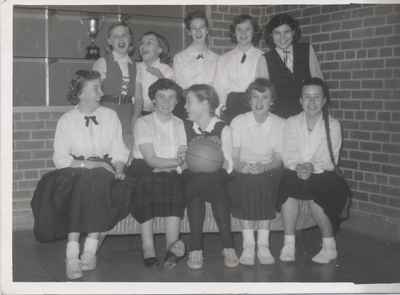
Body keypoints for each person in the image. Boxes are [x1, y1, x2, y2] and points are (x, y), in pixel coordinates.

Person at [31, 70, 131, 280]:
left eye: (100, 87)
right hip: (73, 170)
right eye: (96, 88)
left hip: (105, 169)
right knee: (86, 181)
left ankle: (80, 252)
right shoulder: (67, 120)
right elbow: (59, 159)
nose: (101, 92)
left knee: (96, 181)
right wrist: (90, 165)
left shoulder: (110, 116)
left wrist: (119, 169)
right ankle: (80, 253)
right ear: (80, 94)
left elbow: (119, 150)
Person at [277, 77, 349, 264]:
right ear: (300, 100)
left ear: (324, 100)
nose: (311, 102)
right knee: (287, 188)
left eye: (317, 97)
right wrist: (298, 166)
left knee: (319, 189)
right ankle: (289, 244)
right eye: (307, 97)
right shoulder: (291, 123)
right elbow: (288, 152)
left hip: (323, 172)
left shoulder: (332, 125)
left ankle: (329, 246)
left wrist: (311, 167)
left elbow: (329, 156)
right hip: (296, 170)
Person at [126, 78, 186, 268]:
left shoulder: (180, 124)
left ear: (177, 102)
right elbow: (150, 159)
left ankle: (172, 246)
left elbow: (183, 157)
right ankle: (148, 245)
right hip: (143, 166)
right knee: (147, 181)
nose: (166, 102)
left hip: (169, 167)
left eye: (171, 98)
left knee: (174, 182)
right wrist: (172, 164)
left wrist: (173, 166)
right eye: (161, 97)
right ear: (153, 100)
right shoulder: (143, 123)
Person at [229, 78, 285, 265]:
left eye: (265, 97)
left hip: (269, 169)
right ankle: (248, 245)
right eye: (255, 97)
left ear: (272, 101)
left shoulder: (280, 124)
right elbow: (234, 157)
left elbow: (278, 159)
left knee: (262, 180)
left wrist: (262, 167)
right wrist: (242, 167)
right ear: (249, 100)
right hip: (243, 168)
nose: (259, 102)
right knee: (247, 180)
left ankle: (263, 245)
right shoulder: (238, 121)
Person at [183, 84, 239, 270]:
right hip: (191, 174)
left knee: (208, 183)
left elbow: (230, 164)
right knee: (199, 183)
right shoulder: (184, 127)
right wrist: (180, 159)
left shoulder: (224, 129)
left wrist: (216, 164)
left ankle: (196, 248)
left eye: (189, 102)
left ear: (205, 103)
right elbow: (180, 165)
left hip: (218, 175)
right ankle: (227, 246)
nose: (185, 106)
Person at [263, 13, 323, 118]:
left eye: (286, 32)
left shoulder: (307, 50)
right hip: (280, 117)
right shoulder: (265, 59)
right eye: (277, 33)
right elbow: (263, 95)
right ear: (271, 35)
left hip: (307, 115)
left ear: (293, 33)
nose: (282, 37)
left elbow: (319, 84)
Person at [92, 21, 139, 149]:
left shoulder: (136, 65)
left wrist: (135, 120)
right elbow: (93, 94)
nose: (121, 39)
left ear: (130, 39)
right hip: (107, 112)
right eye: (116, 36)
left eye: (124, 35)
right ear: (109, 41)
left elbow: (138, 98)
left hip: (128, 116)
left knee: (126, 152)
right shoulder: (102, 62)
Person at [214, 14, 268, 123]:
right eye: (239, 29)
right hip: (231, 108)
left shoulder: (262, 57)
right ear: (234, 32)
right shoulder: (224, 59)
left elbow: (265, 86)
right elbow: (219, 87)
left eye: (248, 29)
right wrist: (221, 110)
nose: (243, 33)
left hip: (254, 107)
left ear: (254, 32)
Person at [173, 10, 218, 89]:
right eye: (194, 28)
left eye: (202, 27)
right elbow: (179, 87)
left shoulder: (217, 59)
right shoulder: (179, 58)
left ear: (207, 30)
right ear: (189, 32)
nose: (198, 32)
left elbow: (218, 87)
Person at [136, 31, 175, 116]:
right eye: (142, 43)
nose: (144, 46)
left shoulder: (166, 70)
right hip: (136, 112)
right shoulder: (135, 67)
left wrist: (160, 76)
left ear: (159, 49)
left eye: (149, 43)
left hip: (158, 113)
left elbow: (171, 94)